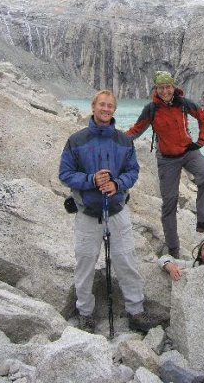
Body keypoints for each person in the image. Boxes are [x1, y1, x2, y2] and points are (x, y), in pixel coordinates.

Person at [59, 89, 159, 334]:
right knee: (85, 263)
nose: (105, 109)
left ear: (114, 110)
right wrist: (92, 180)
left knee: (126, 261)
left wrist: (117, 184)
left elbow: (132, 172)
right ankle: (85, 313)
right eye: (101, 105)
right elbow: (65, 174)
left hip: (116, 210)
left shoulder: (123, 141)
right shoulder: (77, 140)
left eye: (110, 106)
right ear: (93, 107)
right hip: (87, 212)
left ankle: (135, 311)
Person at [125, 71, 204, 259]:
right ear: (156, 89)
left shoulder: (184, 104)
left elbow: (202, 116)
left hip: (188, 151)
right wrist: (117, 139)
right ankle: (173, 248)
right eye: (161, 87)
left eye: (168, 87)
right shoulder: (151, 109)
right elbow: (136, 130)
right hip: (167, 159)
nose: (165, 91)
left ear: (173, 87)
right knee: (169, 203)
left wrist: (200, 141)